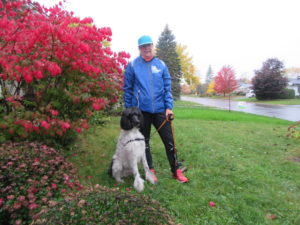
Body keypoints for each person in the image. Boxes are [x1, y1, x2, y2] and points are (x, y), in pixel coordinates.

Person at [123, 35, 188, 183]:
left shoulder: (161, 65)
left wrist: (168, 107)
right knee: (144, 142)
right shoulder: (133, 65)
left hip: (160, 110)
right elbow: (127, 89)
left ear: (152, 46)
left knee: (169, 141)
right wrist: (129, 110)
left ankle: (175, 170)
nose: (146, 48)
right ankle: (149, 170)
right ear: (139, 48)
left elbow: (167, 88)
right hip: (141, 112)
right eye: (143, 46)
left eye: (148, 45)